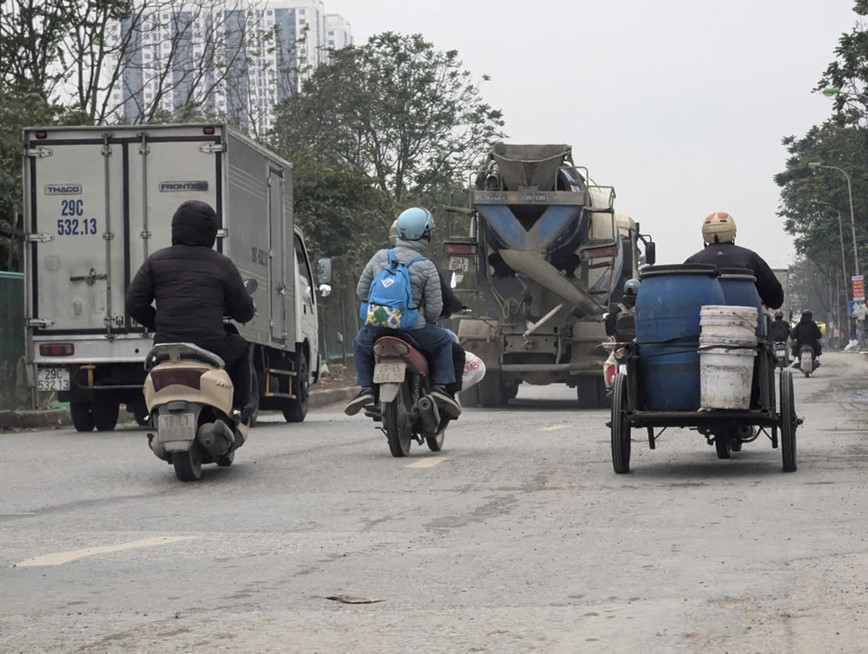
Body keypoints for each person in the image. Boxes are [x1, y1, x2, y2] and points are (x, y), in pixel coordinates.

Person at [125, 200, 256, 420]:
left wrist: (160, 322)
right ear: (211, 232)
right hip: (211, 344)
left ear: (175, 228)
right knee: (241, 347)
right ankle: (239, 407)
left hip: (167, 345)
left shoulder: (155, 261)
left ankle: (152, 412)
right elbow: (243, 312)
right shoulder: (222, 265)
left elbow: (133, 304)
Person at [345, 207, 461, 418]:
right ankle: (440, 388)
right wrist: (425, 319)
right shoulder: (426, 266)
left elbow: (361, 291)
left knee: (359, 346)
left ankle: (366, 388)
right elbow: (434, 309)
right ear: (425, 234)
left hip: (377, 328)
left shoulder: (379, 257)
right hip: (413, 329)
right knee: (444, 341)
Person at [684, 211, 784, 310]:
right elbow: (776, 299)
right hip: (746, 322)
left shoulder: (693, 262)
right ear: (733, 233)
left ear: (705, 234)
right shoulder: (750, 258)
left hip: (702, 322)